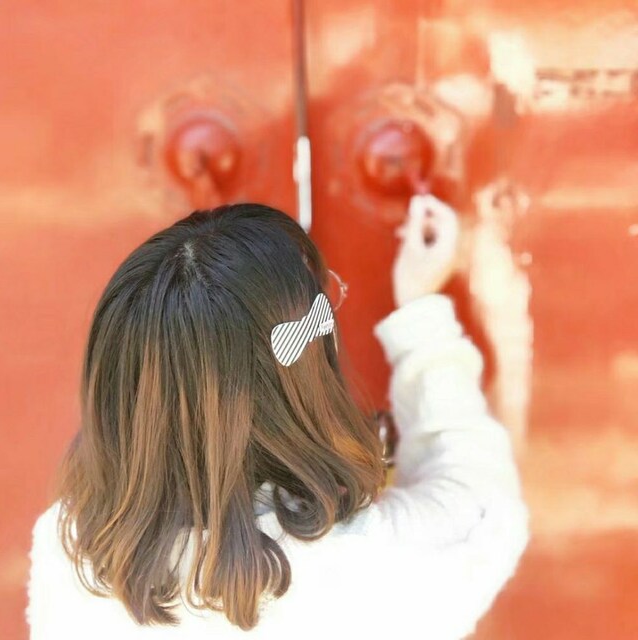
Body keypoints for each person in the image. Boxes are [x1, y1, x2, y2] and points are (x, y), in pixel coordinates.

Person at [26, 198, 529, 639]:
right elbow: (483, 502)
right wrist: (421, 314)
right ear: (303, 371)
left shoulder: (68, 555)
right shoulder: (369, 564)